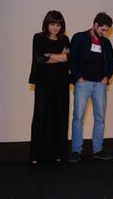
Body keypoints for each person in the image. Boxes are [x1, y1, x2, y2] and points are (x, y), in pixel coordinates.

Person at [68, 12, 113, 162]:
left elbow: (112, 63)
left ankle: (98, 150)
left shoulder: (106, 43)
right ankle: (76, 151)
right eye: (103, 29)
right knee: (78, 118)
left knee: (100, 118)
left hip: (100, 85)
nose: (104, 33)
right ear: (95, 25)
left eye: (106, 30)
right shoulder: (79, 38)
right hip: (83, 84)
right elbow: (72, 59)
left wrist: (106, 77)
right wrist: (78, 78)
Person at [28, 10, 70, 164]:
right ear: (47, 24)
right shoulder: (38, 37)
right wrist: (59, 56)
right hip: (43, 84)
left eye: (58, 24)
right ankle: (36, 155)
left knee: (60, 116)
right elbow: (39, 59)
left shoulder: (65, 39)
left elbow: (68, 58)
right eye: (53, 24)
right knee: (41, 115)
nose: (55, 27)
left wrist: (49, 55)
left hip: (61, 84)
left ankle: (59, 154)